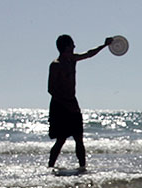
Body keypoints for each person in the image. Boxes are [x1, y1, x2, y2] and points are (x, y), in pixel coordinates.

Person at [47, 35, 113, 171]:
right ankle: (49, 168)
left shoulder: (72, 60)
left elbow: (89, 54)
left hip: (72, 103)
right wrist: (66, 104)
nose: (74, 47)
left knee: (79, 139)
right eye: (72, 45)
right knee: (61, 140)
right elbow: (51, 89)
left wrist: (104, 45)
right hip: (60, 106)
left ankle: (82, 168)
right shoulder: (56, 65)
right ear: (66, 47)